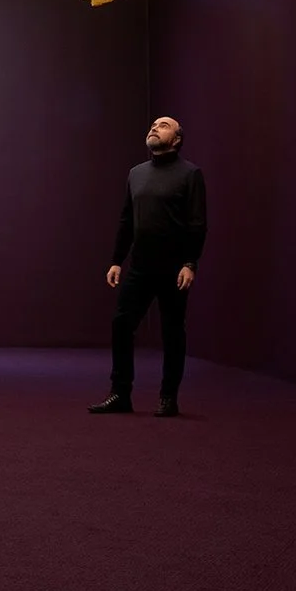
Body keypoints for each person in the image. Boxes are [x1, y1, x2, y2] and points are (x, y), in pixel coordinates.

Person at [88, 115, 207, 418]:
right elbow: (127, 220)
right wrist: (117, 260)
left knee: (172, 333)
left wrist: (190, 263)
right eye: (153, 125)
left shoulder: (190, 174)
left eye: (164, 126)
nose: (155, 127)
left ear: (177, 139)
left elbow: (197, 223)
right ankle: (120, 394)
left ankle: (168, 398)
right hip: (140, 266)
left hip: (173, 269)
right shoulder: (136, 173)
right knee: (121, 325)